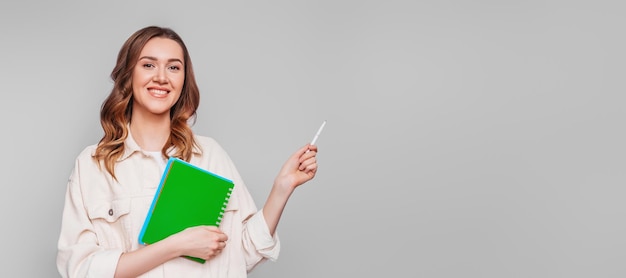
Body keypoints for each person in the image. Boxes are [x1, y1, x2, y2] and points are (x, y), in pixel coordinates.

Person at [56, 25, 319, 278]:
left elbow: (245, 254)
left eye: (173, 67)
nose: (161, 77)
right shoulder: (94, 165)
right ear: (128, 75)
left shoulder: (210, 154)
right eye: (148, 65)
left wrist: (282, 188)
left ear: (183, 79)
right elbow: (82, 270)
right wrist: (176, 245)